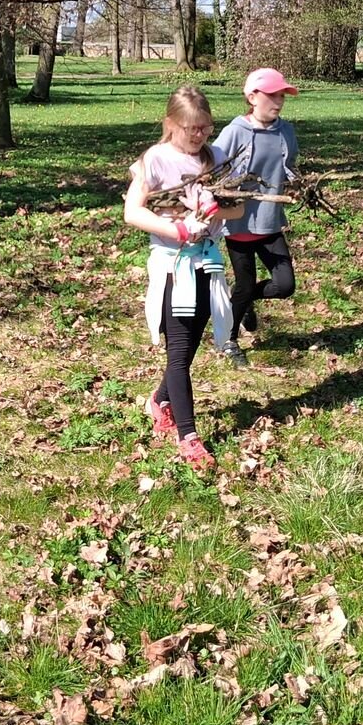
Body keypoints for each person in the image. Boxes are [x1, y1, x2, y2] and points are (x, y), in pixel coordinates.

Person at [123, 86, 245, 471]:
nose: (199, 135)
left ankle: (158, 401)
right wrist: (175, 229)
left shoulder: (216, 157)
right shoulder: (155, 159)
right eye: (191, 128)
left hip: (207, 263)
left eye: (205, 128)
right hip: (173, 265)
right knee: (178, 352)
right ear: (170, 124)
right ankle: (188, 438)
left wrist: (214, 208)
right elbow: (132, 212)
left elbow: (238, 209)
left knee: (189, 347)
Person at [213, 67, 300, 367]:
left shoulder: (286, 131)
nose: (279, 101)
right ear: (252, 97)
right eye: (272, 95)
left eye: (282, 96)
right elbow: (213, 168)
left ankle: (245, 300)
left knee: (285, 285)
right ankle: (228, 339)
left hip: (270, 222)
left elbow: (290, 168)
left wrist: (297, 185)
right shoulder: (235, 131)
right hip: (239, 223)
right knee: (245, 284)